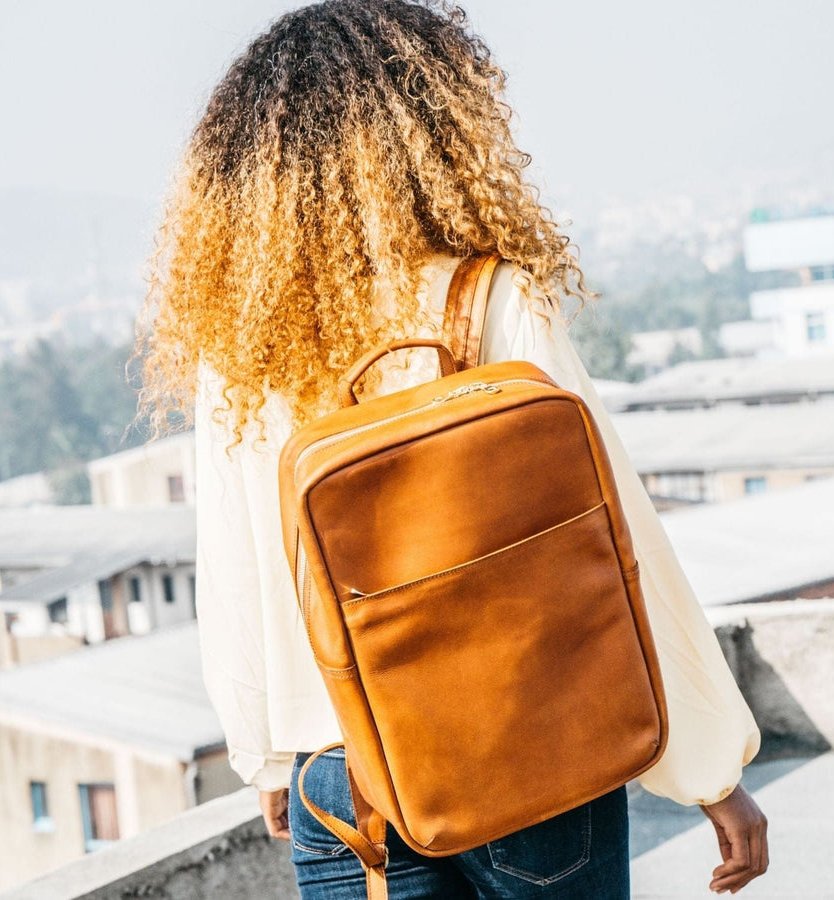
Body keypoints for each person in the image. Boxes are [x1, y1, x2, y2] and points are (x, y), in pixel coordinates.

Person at [135, 1, 768, 896]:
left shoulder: (239, 347)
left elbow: (235, 569)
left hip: (342, 774)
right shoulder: (491, 299)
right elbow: (619, 546)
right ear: (433, 133)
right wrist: (713, 773)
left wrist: (268, 754)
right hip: (528, 750)